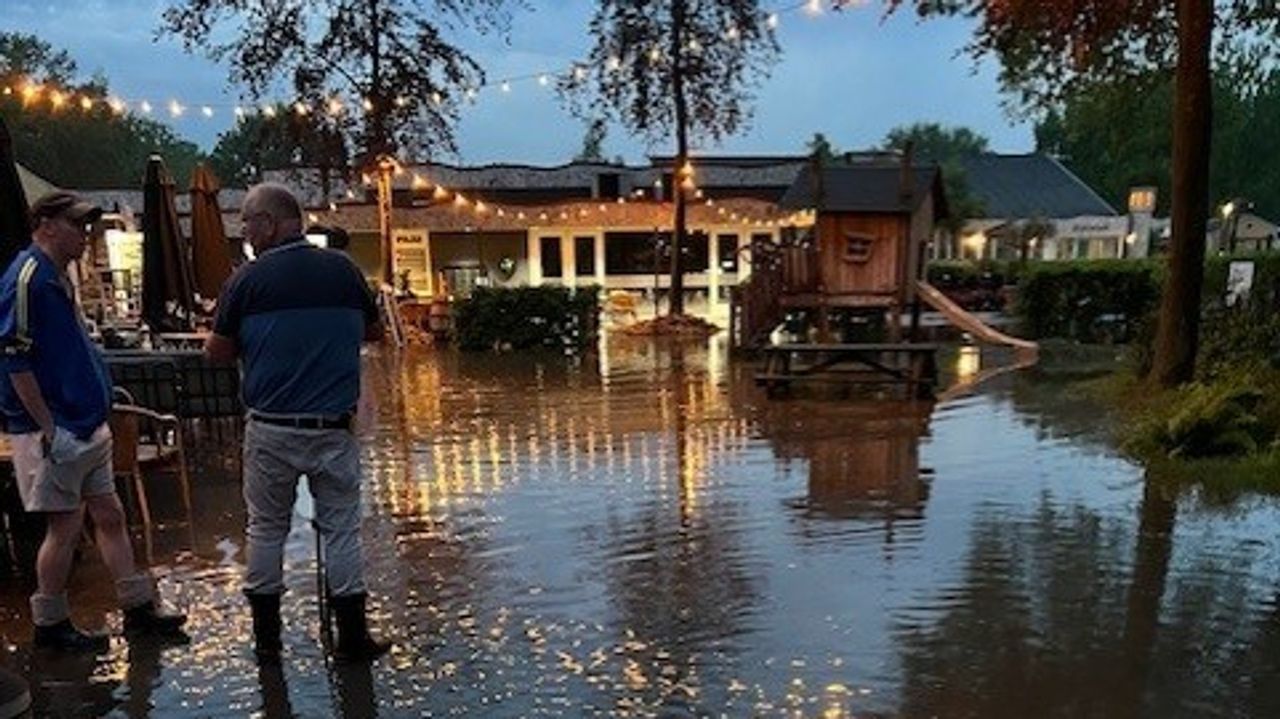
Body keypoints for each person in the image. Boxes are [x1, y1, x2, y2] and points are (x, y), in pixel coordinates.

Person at [205, 183, 389, 664]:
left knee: (266, 528)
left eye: (247, 222)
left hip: (271, 427)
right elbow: (373, 332)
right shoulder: (345, 272)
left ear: (269, 222)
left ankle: (267, 642)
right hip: (332, 428)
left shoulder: (246, 280)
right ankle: (352, 639)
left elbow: (216, 351)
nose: (245, 232)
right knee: (342, 529)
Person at [0, 191, 187, 651]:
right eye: (74, 224)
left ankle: (137, 608)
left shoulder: (56, 278)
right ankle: (50, 622)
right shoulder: (28, 278)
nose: (83, 234)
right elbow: (13, 359)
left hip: (83, 421)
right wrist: (48, 427)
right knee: (65, 527)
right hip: (58, 428)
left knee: (109, 513)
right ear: (45, 224)